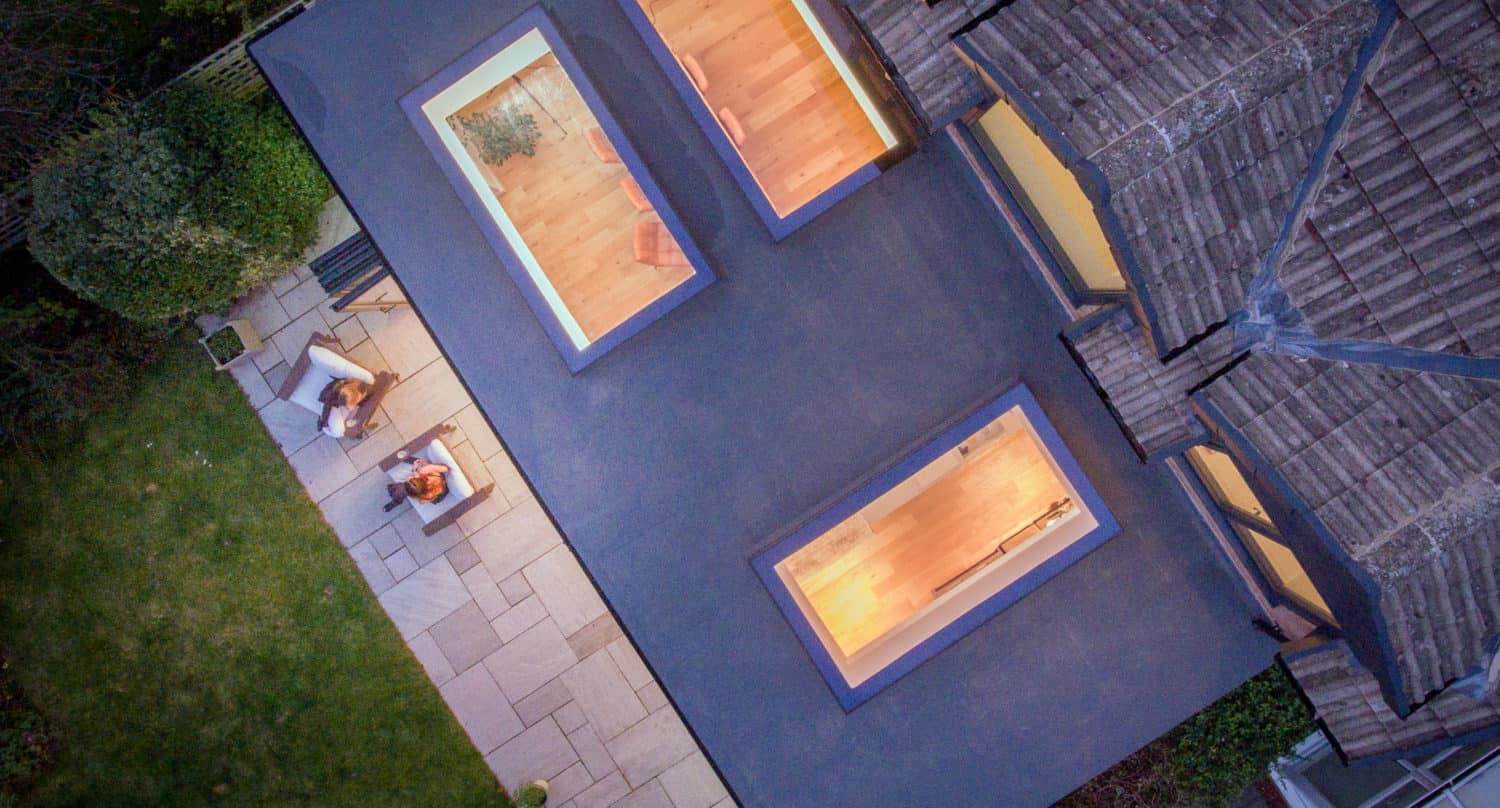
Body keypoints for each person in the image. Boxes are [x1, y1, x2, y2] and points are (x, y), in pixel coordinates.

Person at [383, 456, 450, 512]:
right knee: (403, 489)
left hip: (439, 495)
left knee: (401, 490)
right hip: (434, 487)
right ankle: (395, 497)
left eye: (411, 478)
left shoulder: (424, 471)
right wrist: (417, 469)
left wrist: (416, 470)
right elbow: (446, 468)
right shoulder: (425, 471)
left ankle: (395, 500)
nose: (409, 477)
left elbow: (422, 501)